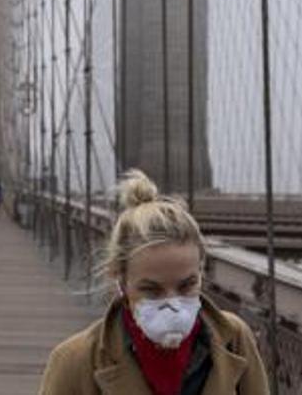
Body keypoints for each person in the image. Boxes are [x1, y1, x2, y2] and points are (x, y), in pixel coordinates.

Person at [39, 169, 268, 395]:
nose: (172, 304)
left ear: (201, 273)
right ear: (121, 280)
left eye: (187, 285)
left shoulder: (235, 340)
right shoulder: (74, 362)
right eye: (151, 290)